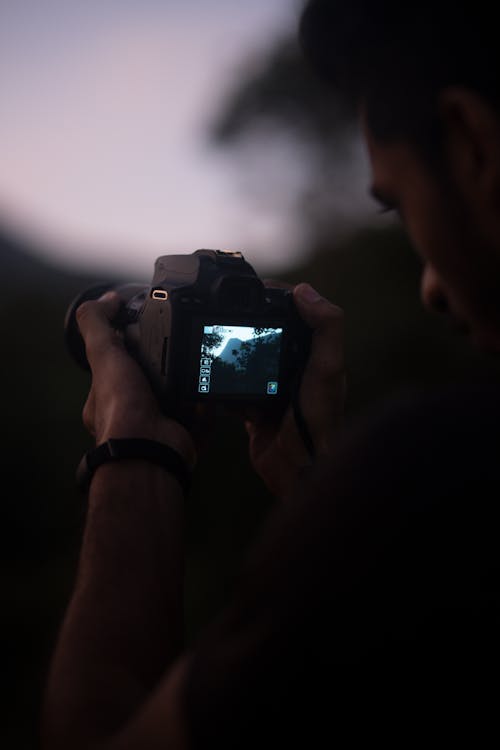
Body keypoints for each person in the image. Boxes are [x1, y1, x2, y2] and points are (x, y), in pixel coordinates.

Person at [42, 1, 500, 747]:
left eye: (398, 206)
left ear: (473, 144)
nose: (431, 289)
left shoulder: (441, 483)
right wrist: (317, 486)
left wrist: (134, 450)